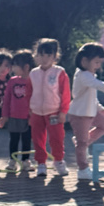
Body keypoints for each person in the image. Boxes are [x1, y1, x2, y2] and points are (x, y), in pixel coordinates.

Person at [68, 42, 104, 180]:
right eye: (96, 62)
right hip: (80, 114)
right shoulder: (83, 75)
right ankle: (83, 169)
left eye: (100, 63)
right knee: (81, 145)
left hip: (91, 112)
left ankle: (83, 141)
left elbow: (91, 97)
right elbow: (97, 85)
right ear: (84, 61)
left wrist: (100, 108)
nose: (98, 66)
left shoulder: (90, 75)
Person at [29, 38, 71, 177]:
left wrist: (63, 112)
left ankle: (58, 161)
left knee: (56, 138)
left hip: (54, 112)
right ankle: (41, 163)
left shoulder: (59, 72)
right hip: (36, 112)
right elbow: (29, 92)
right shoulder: (33, 73)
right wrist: (29, 110)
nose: (45, 58)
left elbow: (65, 93)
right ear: (36, 56)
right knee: (37, 139)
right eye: (41, 55)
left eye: (48, 55)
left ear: (54, 56)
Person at [0, 50, 34, 172]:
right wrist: (4, 116)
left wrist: (33, 116)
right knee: (13, 140)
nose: (12, 68)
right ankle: (12, 161)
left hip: (28, 118)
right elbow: (6, 99)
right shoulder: (12, 81)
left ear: (26, 67)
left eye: (15, 65)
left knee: (26, 140)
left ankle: (25, 161)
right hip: (14, 117)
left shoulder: (33, 81)